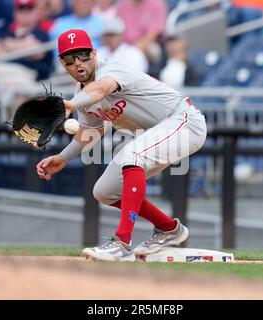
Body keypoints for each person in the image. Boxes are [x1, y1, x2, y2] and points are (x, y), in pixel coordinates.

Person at [36, 29, 207, 262]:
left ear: (94, 54)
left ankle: (121, 243)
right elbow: (91, 131)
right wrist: (64, 157)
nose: (78, 63)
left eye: (83, 55)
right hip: (159, 133)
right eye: (69, 59)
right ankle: (169, 229)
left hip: (185, 121)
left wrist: (71, 105)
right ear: (62, 64)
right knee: (104, 191)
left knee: (131, 155)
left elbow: (102, 89)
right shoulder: (82, 95)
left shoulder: (111, 69)